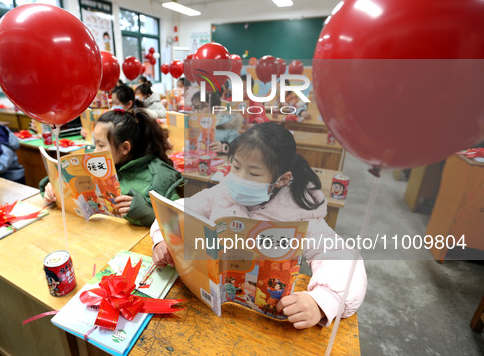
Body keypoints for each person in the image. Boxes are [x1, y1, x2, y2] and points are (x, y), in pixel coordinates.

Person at [151, 122, 366, 329]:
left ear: (282, 179)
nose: (239, 178)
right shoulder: (223, 193)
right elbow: (178, 209)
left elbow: (340, 256)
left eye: (253, 173)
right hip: (209, 307)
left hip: (263, 321)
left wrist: (322, 302)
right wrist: (162, 238)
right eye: (235, 166)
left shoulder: (299, 213)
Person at [42, 108, 183, 227]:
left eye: (101, 145)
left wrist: (146, 212)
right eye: (94, 143)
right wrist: (54, 188)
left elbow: (178, 223)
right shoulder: (91, 163)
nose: (95, 152)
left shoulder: (158, 178)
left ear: (125, 147)